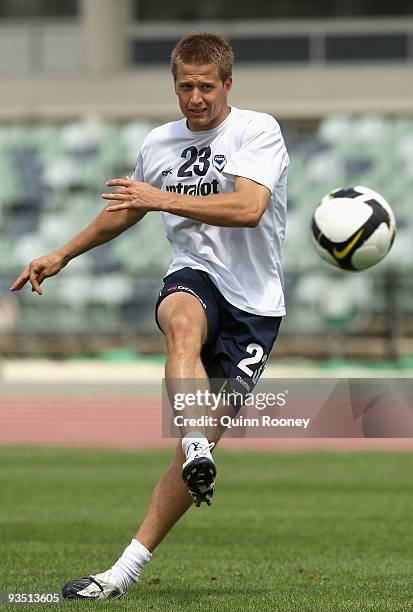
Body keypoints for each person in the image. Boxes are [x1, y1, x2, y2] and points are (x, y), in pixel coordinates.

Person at [10, 32, 289, 600]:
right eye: (185, 86)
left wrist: (160, 198)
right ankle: (193, 446)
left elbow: (249, 208)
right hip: (195, 273)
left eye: (206, 87)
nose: (195, 98)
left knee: (201, 442)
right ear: (174, 85)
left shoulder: (257, 130)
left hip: (255, 306)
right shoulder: (159, 143)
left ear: (227, 84)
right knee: (181, 320)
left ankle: (125, 566)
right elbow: (124, 212)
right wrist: (62, 252)